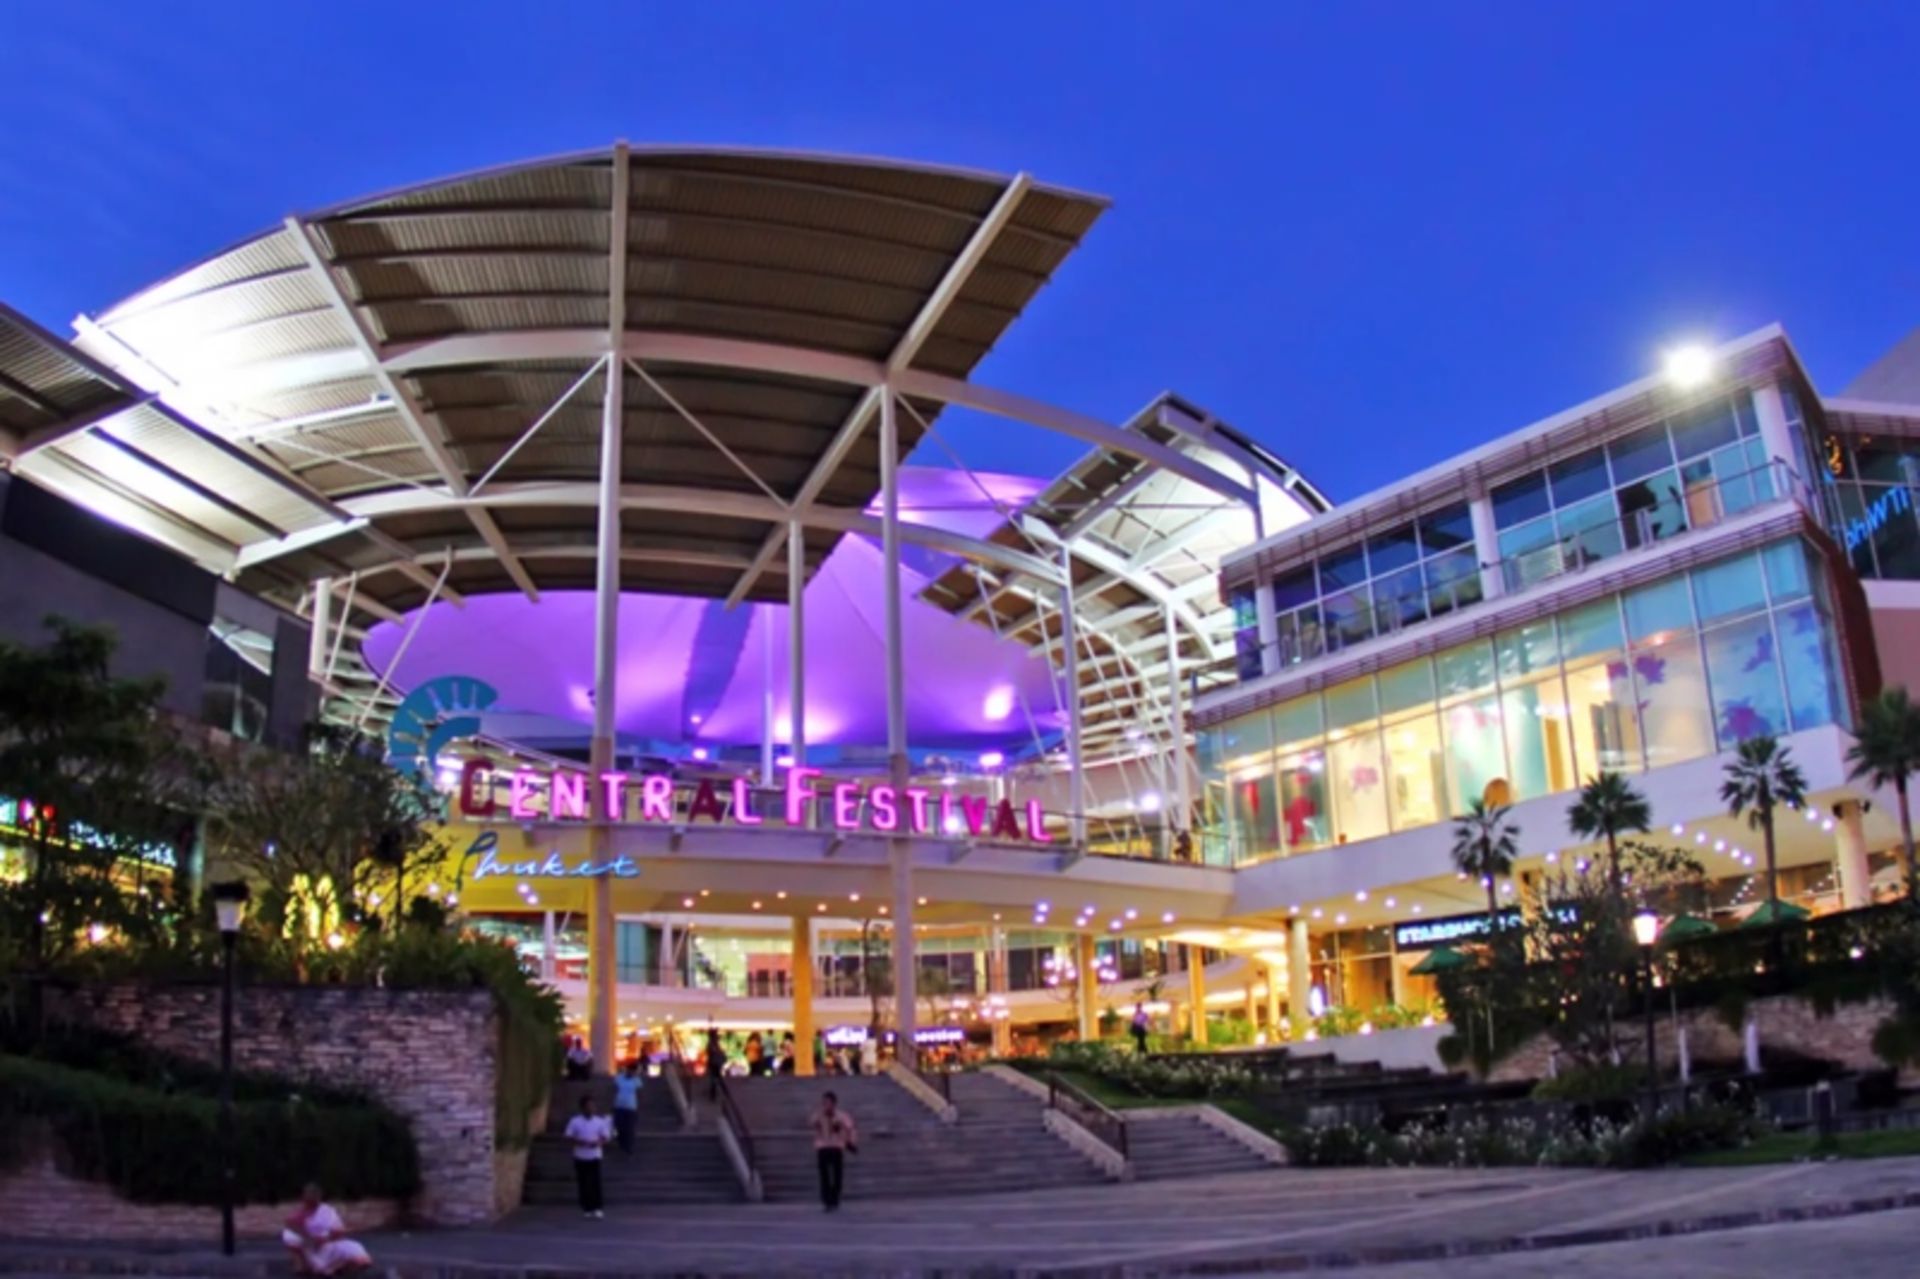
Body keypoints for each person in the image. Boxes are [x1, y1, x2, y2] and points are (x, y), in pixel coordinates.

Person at [281, 1183, 371, 1275]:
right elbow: (291, 1229)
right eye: (309, 1196)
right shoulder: (296, 1218)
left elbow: (338, 1230)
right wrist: (310, 1240)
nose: (313, 1200)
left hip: (329, 1243)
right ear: (304, 1198)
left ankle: (343, 1266)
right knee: (319, 1268)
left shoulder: (326, 1211)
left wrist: (328, 1238)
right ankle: (311, 1265)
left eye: (315, 1196)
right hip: (312, 1249)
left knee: (356, 1250)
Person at [809, 1090, 858, 1212]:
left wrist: (851, 1142)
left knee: (837, 1175)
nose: (826, 1105)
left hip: (836, 1146)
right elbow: (811, 1123)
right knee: (824, 1175)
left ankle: (835, 1198)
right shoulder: (818, 1116)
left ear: (834, 1103)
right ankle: (826, 1200)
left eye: (829, 1103)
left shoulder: (842, 1116)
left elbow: (850, 1129)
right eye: (824, 1103)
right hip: (823, 1147)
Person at [564, 1095, 611, 1218]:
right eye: (588, 1106)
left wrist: (598, 1143)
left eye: (592, 1106)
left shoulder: (599, 1121)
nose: (591, 1109)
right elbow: (568, 1136)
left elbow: (605, 1137)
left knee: (595, 1182)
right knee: (583, 1183)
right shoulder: (575, 1121)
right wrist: (580, 1142)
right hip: (580, 1156)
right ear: (582, 1108)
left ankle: (598, 1207)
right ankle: (586, 1207)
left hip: (595, 1156)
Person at [610, 1060, 643, 1155]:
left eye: (634, 1071)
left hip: (631, 1108)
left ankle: (629, 1147)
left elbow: (639, 1093)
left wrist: (639, 1106)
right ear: (627, 1070)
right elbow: (614, 1091)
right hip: (619, 1106)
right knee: (619, 1127)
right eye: (631, 1070)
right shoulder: (619, 1078)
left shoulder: (637, 1080)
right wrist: (612, 1103)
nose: (632, 1073)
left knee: (630, 1128)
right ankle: (621, 1143)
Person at [705, 1029, 727, 1100]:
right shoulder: (712, 1044)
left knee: (716, 1077)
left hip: (715, 1062)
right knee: (715, 1077)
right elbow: (711, 1052)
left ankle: (715, 1092)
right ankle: (715, 1093)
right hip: (714, 1062)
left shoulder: (713, 1044)